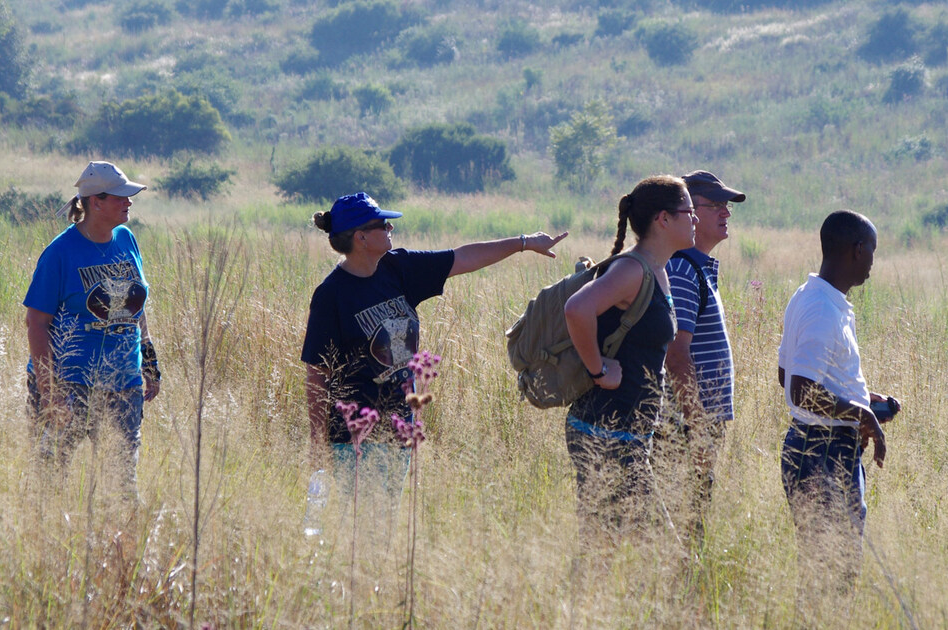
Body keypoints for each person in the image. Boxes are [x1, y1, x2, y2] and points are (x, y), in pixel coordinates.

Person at [302, 192, 567, 523]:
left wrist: (525, 243)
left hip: (399, 431)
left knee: (383, 527)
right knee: (363, 529)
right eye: (382, 224)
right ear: (361, 237)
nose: (389, 227)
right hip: (354, 437)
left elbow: (463, 258)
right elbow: (317, 374)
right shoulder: (331, 295)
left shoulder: (398, 268)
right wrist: (317, 441)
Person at [562, 175, 697, 543]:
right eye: (689, 212)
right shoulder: (631, 269)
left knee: (605, 546)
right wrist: (598, 369)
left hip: (631, 434)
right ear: (663, 220)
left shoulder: (658, 269)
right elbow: (577, 309)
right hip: (604, 431)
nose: (695, 219)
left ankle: (590, 600)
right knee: (656, 550)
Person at [24, 161, 161, 500]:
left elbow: (135, 306)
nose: (129, 202)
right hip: (70, 383)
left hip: (123, 383)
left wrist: (149, 362)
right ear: (95, 202)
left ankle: (117, 547)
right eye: (120, 197)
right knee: (51, 479)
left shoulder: (127, 239)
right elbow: (36, 323)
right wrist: (50, 390)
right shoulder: (60, 252)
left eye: (129, 197)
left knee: (122, 484)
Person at [777, 210, 891, 612]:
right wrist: (863, 415)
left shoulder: (815, 298)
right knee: (833, 572)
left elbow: (785, 373)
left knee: (824, 567)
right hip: (821, 453)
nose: (874, 261)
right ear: (858, 250)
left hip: (820, 446)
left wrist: (857, 399)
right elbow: (800, 389)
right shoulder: (822, 310)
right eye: (873, 251)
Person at [662, 170, 745, 548]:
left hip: (696, 422)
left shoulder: (695, 267)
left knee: (692, 519)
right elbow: (676, 355)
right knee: (684, 523)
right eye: (716, 206)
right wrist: (696, 425)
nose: (725, 213)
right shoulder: (682, 268)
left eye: (727, 206)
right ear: (690, 212)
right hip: (685, 423)